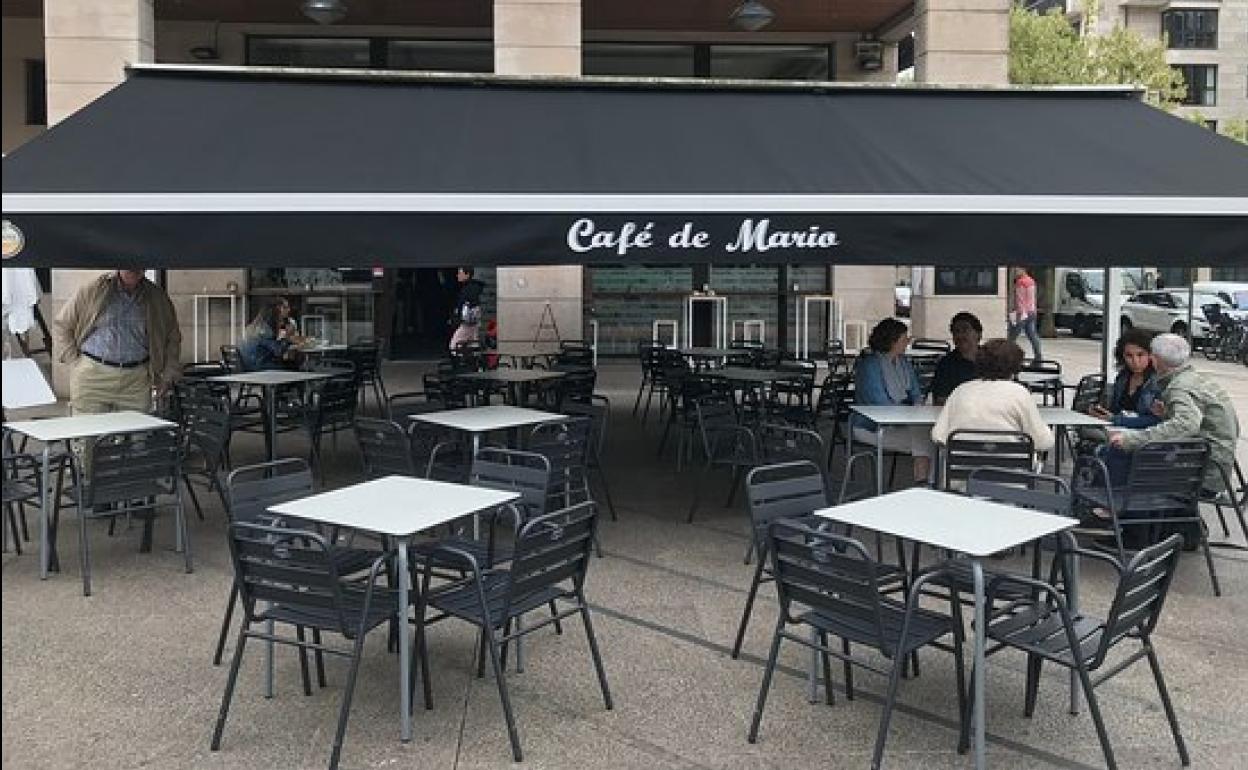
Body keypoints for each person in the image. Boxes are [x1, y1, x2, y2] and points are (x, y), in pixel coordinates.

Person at [1109, 333, 1240, 492]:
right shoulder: (1195, 379)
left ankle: (1117, 507)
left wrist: (1132, 439)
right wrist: (1166, 415)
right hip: (1214, 463)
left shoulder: (1179, 387)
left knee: (1122, 452)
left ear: (1155, 359)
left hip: (1202, 472)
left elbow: (1187, 425)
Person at [53, 268, 181, 414]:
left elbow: (173, 338)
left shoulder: (157, 297)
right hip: (93, 376)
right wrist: (74, 361)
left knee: (138, 433)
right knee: (89, 433)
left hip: (136, 380)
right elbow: (62, 325)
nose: (133, 269)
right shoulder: (93, 290)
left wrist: (168, 374)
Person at [931, 338, 1054, 454]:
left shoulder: (960, 391)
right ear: (1015, 368)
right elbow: (1043, 442)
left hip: (960, 470)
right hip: (1010, 472)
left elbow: (938, 435)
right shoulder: (1020, 394)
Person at [854, 318, 934, 484]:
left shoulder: (903, 363)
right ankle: (925, 485)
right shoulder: (869, 366)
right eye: (904, 338)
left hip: (901, 421)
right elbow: (880, 403)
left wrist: (917, 405)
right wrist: (912, 413)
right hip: (871, 427)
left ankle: (926, 484)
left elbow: (916, 392)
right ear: (892, 341)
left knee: (931, 437)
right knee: (926, 439)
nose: (907, 341)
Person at [1089, 327, 1162, 430]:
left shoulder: (1158, 382)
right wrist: (1101, 412)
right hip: (1118, 430)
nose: (1135, 361)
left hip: (1144, 436)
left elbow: (1158, 420)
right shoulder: (1122, 378)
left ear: (1150, 355)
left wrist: (1116, 420)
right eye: (1129, 356)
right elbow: (1115, 410)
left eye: (1140, 355)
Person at [929, 311, 982, 406]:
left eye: (965, 330)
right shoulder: (946, 364)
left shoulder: (992, 359)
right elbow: (940, 400)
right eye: (956, 331)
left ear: (978, 334)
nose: (960, 336)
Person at [240, 301, 297, 371]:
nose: (289, 310)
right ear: (275, 313)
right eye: (285, 308)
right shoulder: (265, 330)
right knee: (294, 366)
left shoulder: (252, 327)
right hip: (261, 367)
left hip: (248, 366)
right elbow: (278, 351)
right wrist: (288, 338)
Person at [1007, 266, 1043, 361]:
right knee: (1032, 335)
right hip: (1032, 312)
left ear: (1023, 270)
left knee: (1012, 336)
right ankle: (1038, 356)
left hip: (1022, 313)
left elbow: (1020, 300)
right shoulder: (1031, 281)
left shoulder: (1020, 282)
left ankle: (1007, 356)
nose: (1015, 272)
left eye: (1016, 270)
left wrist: (1018, 314)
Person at [449, 266, 484, 350]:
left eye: (460, 273)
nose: (457, 275)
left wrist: (457, 317)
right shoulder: (471, 288)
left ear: (467, 274)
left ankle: (463, 361)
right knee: (472, 344)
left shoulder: (469, 290)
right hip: (471, 322)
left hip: (467, 323)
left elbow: (466, 306)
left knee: (454, 345)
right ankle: (473, 362)